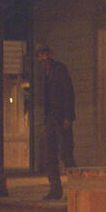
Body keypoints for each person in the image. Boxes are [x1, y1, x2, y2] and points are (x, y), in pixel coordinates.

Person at [36, 44, 77, 200]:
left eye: (45, 55)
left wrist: (68, 116)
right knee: (50, 155)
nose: (44, 58)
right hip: (51, 118)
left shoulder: (60, 69)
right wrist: (45, 123)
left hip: (61, 116)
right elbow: (45, 99)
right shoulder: (44, 74)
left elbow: (68, 92)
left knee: (66, 153)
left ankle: (75, 189)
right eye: (41, 55)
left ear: (50, 55)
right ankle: (55, 189)